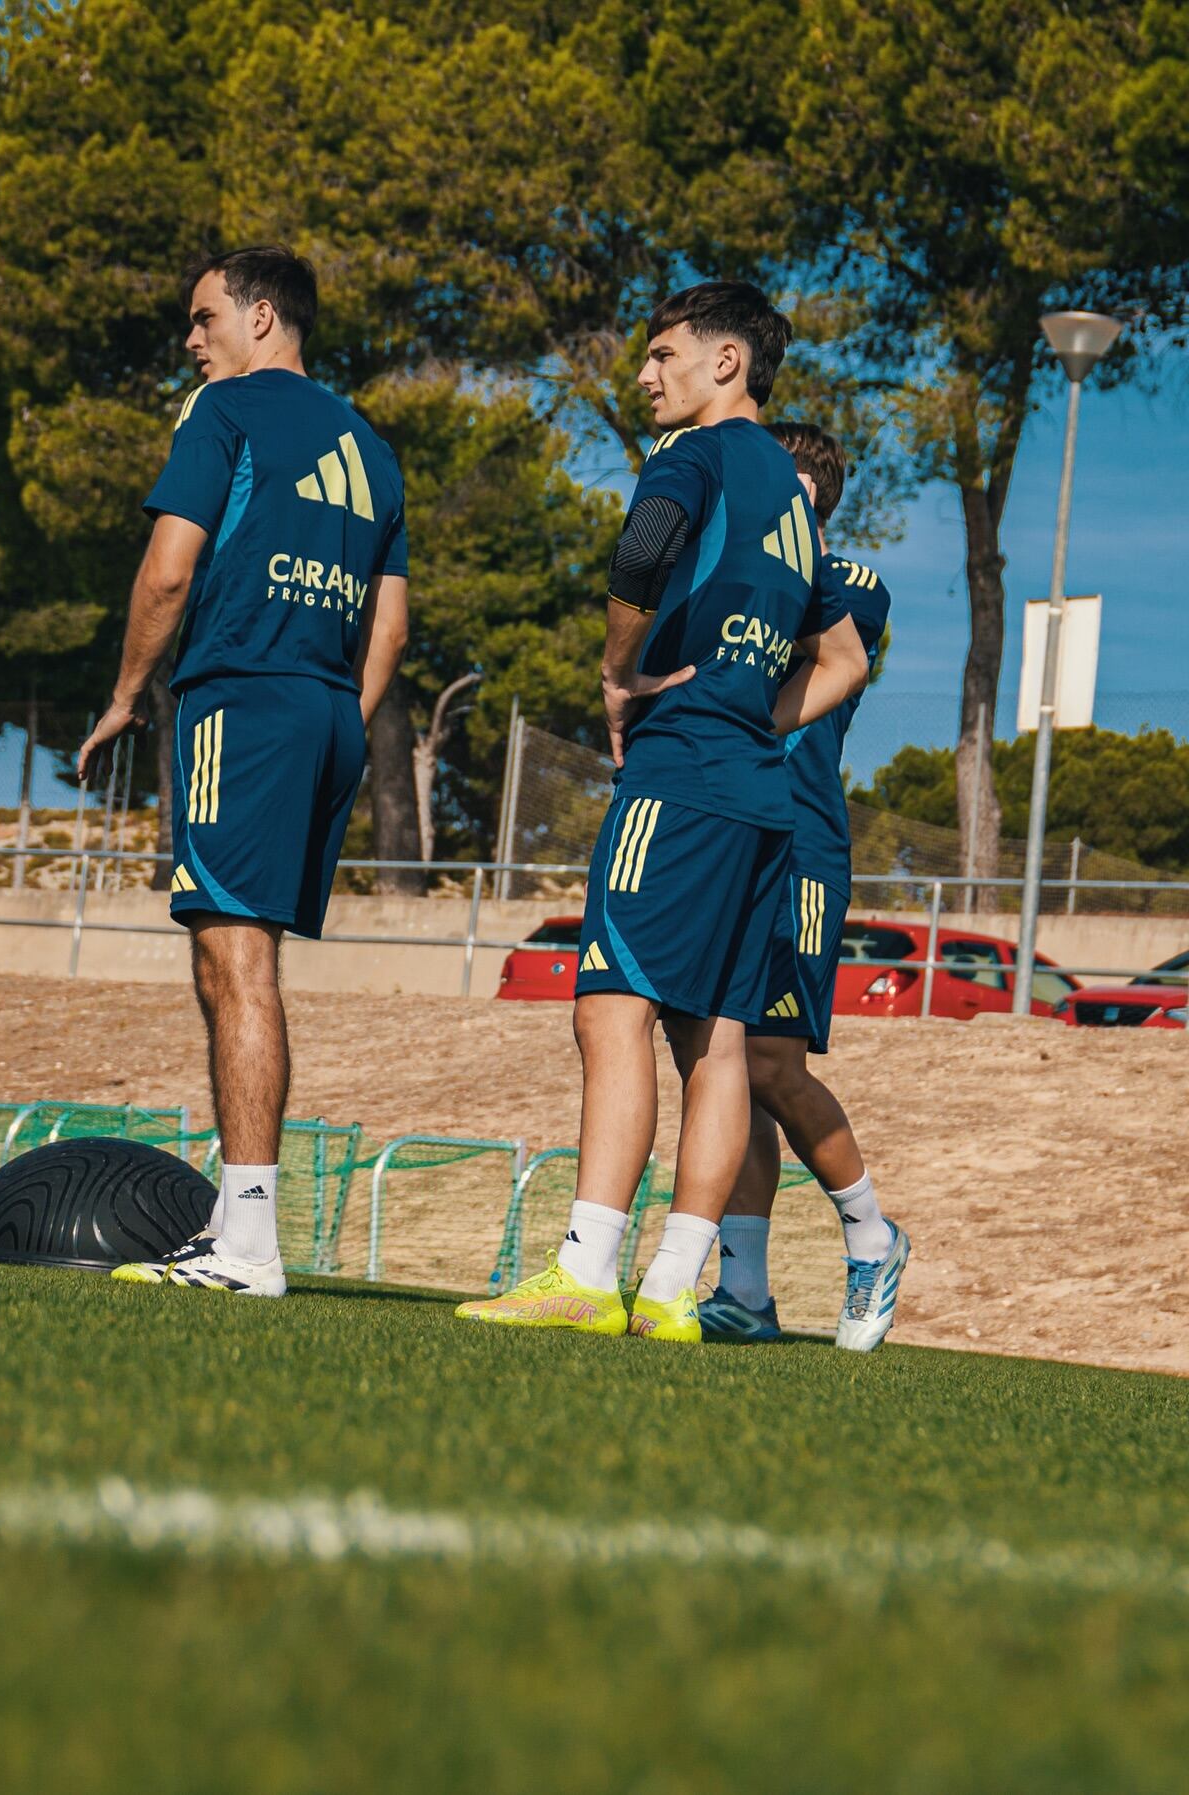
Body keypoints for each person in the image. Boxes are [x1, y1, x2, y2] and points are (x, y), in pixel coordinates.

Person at [456, 282, 867, 1342]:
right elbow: (847, 658)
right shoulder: (787, 488)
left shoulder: (695, 454)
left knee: (613, 1007)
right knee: (719, 1040)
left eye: (661, 354)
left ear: (726, 361)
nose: (644, 375)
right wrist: (756, 716)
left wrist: (618, 668)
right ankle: (678, 1286)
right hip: (763, 797)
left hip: (680, 776)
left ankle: (588, 1270)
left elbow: (644, 550)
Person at [77, 245, 409, 1295]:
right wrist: (333, 726)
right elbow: (388, 628)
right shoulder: (372, 445)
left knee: (235, 958)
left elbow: (169, 570)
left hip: (243, 696)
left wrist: (129, 695)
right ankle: (238, 1217)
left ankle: (250, 1245)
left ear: (261, 319)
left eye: (203, 317)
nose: (192, 339)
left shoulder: (221, 415)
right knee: (237, 951)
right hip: (323, 709)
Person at [697, 421, 908, 1351]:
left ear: (806, 491)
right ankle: (745, 1287)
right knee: (722, 1061)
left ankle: (872, 1235)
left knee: (774, 1063)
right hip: (726, 828)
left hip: (802, 847)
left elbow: (790, 654)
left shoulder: (850, 583)